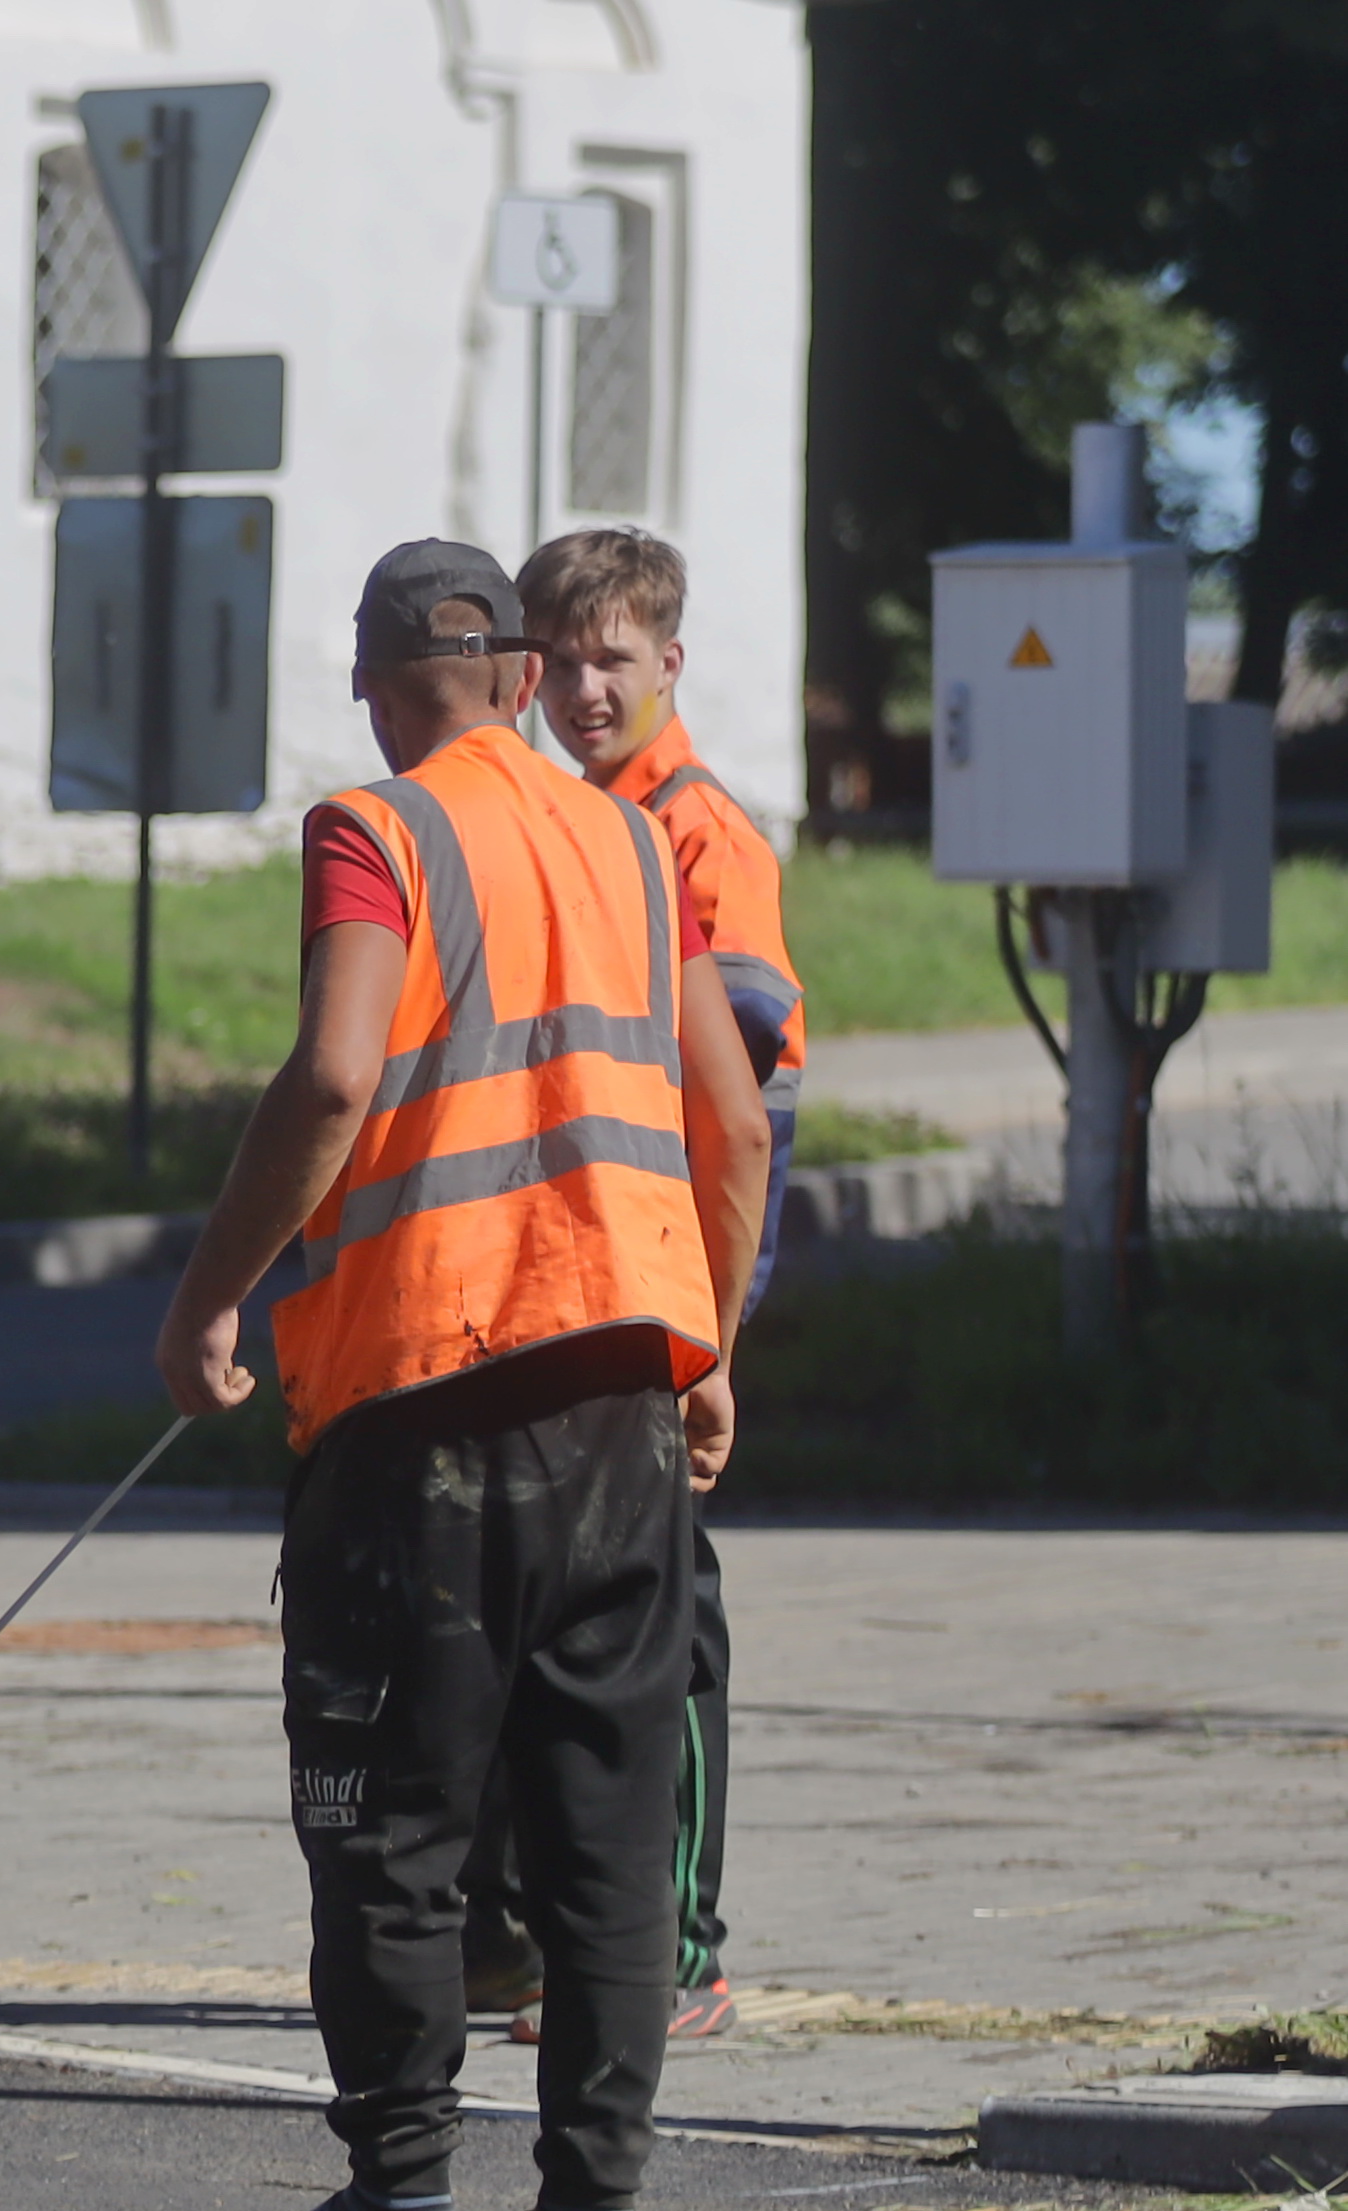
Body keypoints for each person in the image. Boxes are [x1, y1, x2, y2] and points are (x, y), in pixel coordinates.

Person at [150, 541, 774, 2211]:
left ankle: (402, 2201)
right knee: (603, 1830)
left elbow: (337, 1074)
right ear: (517, 674)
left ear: (367, 682)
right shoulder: (637, 843)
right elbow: (730, 1126)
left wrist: (210, 1298)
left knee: (395, 1824)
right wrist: (706, 1339)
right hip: (624, 1412)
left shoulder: (380, 832)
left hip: (424, 1418)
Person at [455, 523, 809, 2044]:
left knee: (661, 1623)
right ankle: (541, 1939)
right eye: (565, 660)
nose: (586, 688)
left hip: (667, 1282)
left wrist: (709, 1331)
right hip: (574, 1271)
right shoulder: (567, 814)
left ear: (671, 662)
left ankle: (680, 1950)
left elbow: (729, 1099)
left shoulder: (695, 836)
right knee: (560, 1612)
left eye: (617, 659)